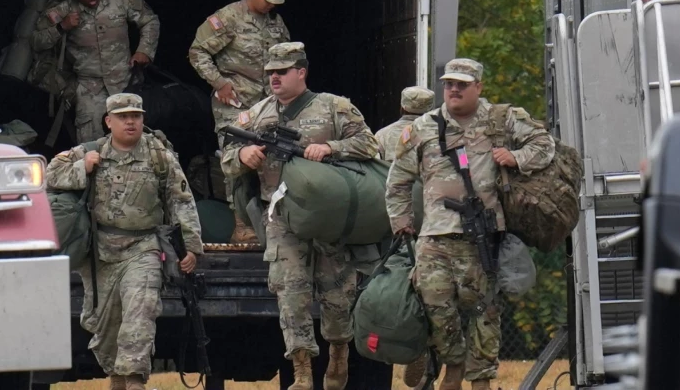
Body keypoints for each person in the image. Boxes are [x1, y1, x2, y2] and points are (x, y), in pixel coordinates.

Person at [385, 59, 555, 390]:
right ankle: (453, 363)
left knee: (485, 312)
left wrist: (516, 157)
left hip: (484, 236)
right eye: (449, 84)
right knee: (435, 305)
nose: (454, 89)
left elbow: (544, 144)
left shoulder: (501, 119)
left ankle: (482, 380)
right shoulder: (423, 127)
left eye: (462, 84)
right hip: (434, 236)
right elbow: (397, 181)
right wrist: (401, 219)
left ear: (479, 86)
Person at [221, 42, 379, 390]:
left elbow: (370, 145)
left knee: (337, 296)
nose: (274, 78)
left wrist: (330, 148)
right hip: (281, 218)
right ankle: (302, 370)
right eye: (270, 73)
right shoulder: (257, 114)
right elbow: (227, 158)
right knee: (289, 293)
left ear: (301, 72)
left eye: (282, 71)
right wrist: (244, 154)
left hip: (327, 218)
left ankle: (338, 351)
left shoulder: (335, 107)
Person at [46, 93, 204, 390]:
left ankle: (134, 381)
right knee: (104, 324)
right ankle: (118, 378)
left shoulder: (159, 156)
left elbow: (182, 200)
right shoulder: (92, 150)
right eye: (123, 117)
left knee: (140, 310)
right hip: (101, 252)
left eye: (136, 116)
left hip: (144, 247)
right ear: (108, 122)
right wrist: (83, 168)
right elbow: (48, 175)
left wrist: (192, 247)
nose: (130, 122)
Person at [188, 0, 291, 244]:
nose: (270, 4)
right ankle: (240, 225)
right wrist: (219, 82)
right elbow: (198, 52)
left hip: (268, 104)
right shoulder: (228, 18)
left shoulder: (275, 23)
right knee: (237, 159)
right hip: (236, 104)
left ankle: (270, 223)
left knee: (270, 160)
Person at [32, 0, 161, 144]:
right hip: (88, 91)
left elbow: (150, 20)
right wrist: (61, 27)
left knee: (135, 145)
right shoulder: (63, 10)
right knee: (91, 151)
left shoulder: (121, 0)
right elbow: (36, 42)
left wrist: (144, 51)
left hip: (126, 84)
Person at [374, 86, 435, 161]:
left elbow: (375, 168)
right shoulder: (440, 135)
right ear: (431, 109)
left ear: (402, 108)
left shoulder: (382, 135)